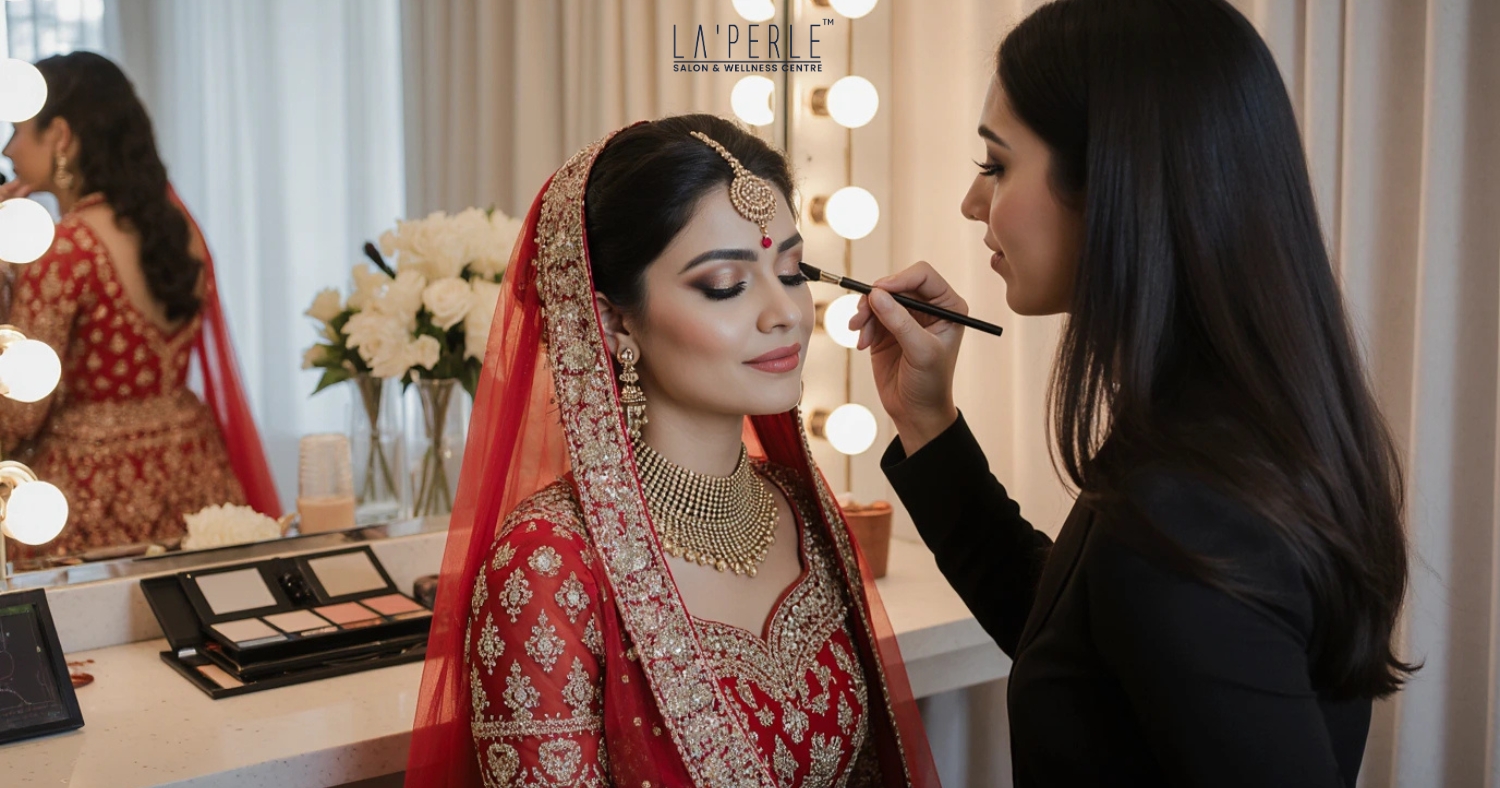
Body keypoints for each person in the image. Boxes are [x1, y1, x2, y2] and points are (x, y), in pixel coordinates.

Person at [849, 1, 1415, 785]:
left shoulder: (1194, 503)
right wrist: (927, 422)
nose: (973, 202)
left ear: (1115, 180)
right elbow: (1083, 648)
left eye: (996, 164)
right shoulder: (1219, 434)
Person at [404, 115, 939, 788]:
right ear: (613, 320)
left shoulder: (803, 512)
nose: (785, 314)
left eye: (792, 272)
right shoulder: (548, 566)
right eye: (726, 284)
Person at [0, 52, 279, 560]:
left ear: (60, 136)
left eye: (18, 131)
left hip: (90, 497)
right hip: (194, 473)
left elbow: (16, 415)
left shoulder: (65, 249)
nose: (8, 149)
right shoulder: (180, 229)